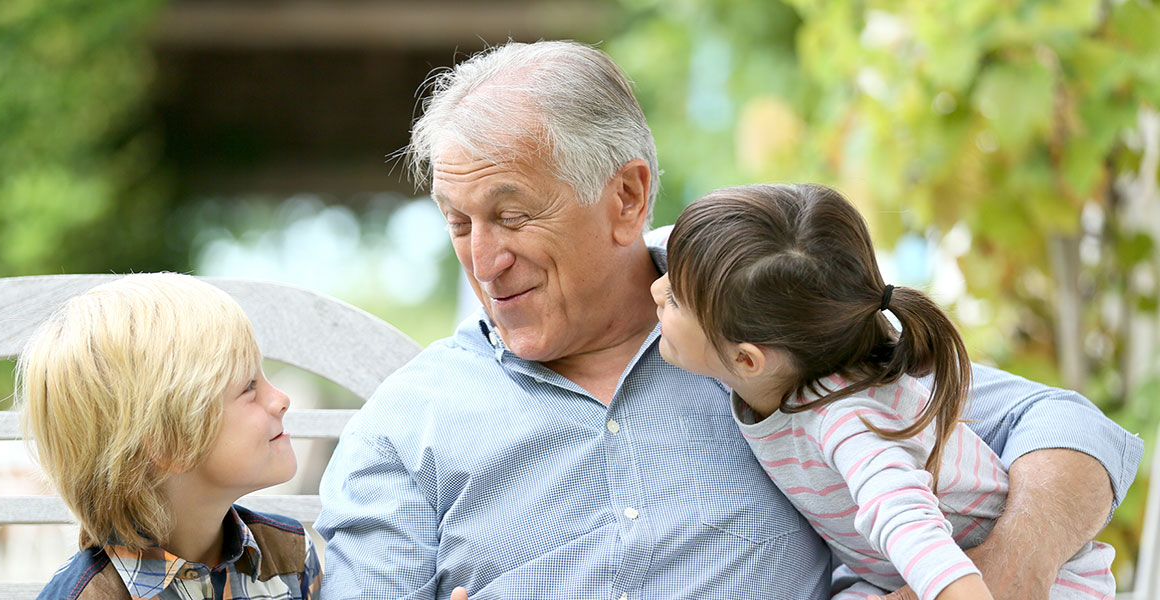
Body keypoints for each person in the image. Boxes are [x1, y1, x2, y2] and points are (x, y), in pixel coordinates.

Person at [315, 40, 1142, 599]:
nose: (484, 260)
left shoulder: (758, 323)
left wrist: (1000, 573)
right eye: (460, 223)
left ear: (627, 197)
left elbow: (1070, 427)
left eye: (513, 215)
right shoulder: (410, 423)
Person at [650, 183, 1116, 600]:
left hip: (1041, 585)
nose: (654, 288)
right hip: (896, 577)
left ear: (747, 359)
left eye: (674, 299)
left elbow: (910, 526)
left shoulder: (849, 420)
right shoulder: (784, 371)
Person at [17, 273, 321, 599]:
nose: (281, 398)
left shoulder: (290, 557)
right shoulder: (91, 594)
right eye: (249, 387)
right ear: (169, 443)